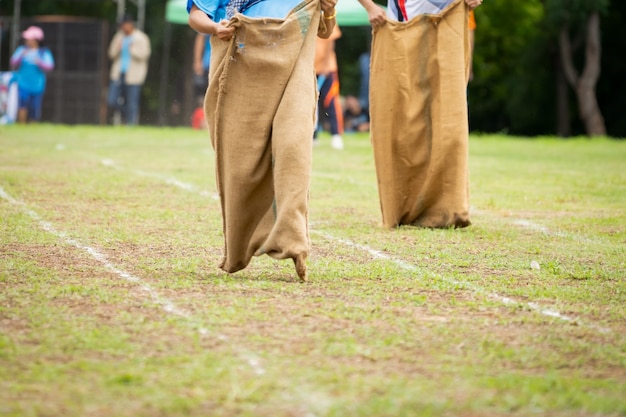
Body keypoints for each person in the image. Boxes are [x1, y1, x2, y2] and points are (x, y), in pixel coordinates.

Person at [187, 0, 338, 281]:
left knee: (294, 146)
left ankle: (294, 241)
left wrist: (329, 8)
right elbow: (197, 15)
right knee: (241, 168)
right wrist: (213, 27)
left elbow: (324, 29)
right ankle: (242, 243)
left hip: (293, 69)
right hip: (240, 66)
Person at [357, 0, 482, 229]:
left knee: (450, 127)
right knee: (405, 128)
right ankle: (406, 206)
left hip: (446, 28)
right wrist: (370, 7)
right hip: (404, 32)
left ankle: (447, 207)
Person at [107, 15, 151, 126]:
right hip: (118, 73)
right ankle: (125, 113)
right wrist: (118, 48)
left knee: (132, 102)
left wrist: (132, 49)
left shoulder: (141, 37)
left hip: (134, 76)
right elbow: (111, 54)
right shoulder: (119, 37)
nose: (123, 28)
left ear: (130, 24)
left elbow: (145, 54)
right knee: (112, 100)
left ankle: (131, 125)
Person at [9, 26, 55, 123]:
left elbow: (50, 66)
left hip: (37, 84)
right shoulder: (21, 50)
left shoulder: (43, 52)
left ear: (36, 40)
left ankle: (33, 125)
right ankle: (22, 124)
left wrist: (39, 62)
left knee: (35, 106)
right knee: (22, 104)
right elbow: (13, 62)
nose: (27, 41)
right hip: (23, 82)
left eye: (29, 39)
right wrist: (21, 55)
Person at [314, 24, 344, 150]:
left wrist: (326, 65)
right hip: (310, 68)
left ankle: (336, 135)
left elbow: (331, 41)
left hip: (328, 69)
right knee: (312, 104)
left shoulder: (326, 12)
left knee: (330, 101)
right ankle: (313, 136)